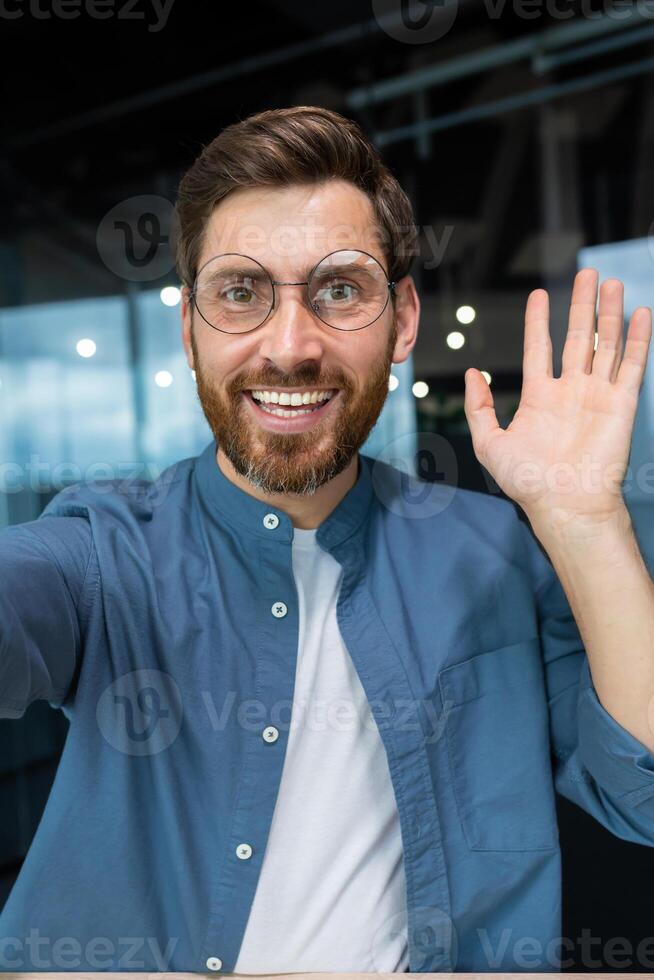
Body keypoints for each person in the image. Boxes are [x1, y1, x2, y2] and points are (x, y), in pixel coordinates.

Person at [1, 104, 654, 975]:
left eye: (339, 289)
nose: (292, 346)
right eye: (241, 292)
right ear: (189, 327)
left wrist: (585, 522)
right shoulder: (102, 552)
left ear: (404, 319)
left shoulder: (496, 555)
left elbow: (643, 794)